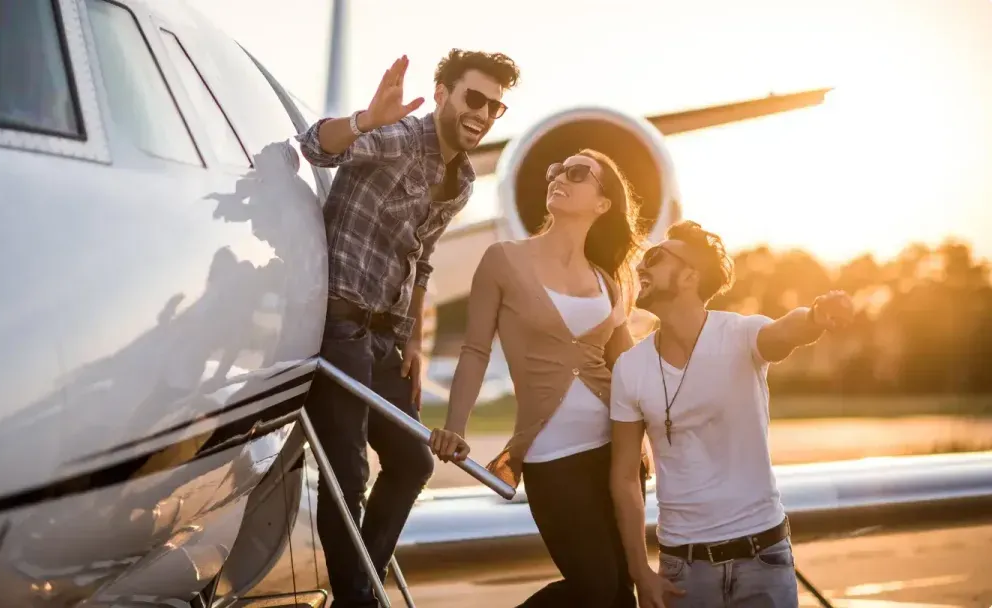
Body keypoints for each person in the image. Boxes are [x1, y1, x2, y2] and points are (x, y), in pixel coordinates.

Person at [296, 49, 520, 607]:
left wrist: (414, 340)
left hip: (386, 338)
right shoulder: (398, 137)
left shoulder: (462, 179)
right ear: (442, 93)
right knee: (347, 475)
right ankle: (360, 598)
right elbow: (316, 148)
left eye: (496, 107)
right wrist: (365, 120)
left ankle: (356, 591)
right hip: (340, 325)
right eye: (474, 98)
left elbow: (421, 258)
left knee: (413, 461)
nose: (484, 113)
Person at [429, 150, 652, 607]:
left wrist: (660, 429)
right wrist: (455, 425)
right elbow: (475, 351)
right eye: (555, 169)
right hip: (553, 458)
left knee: (620, 594)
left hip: (617, 452)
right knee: (593, 588)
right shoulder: (503, 260)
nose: (557, 177)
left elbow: (628, 366)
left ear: (603, 204)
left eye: (575, 173)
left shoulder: (608, 279)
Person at [608, 220, 855, 608]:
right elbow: (624, 477)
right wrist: (641, 572)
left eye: (655, 258)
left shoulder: (741, 335)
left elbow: (784, 332)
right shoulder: (629, 368)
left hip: (764, 558)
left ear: (690, 276)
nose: (642, 266)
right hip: (683, 569)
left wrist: (815, 317)